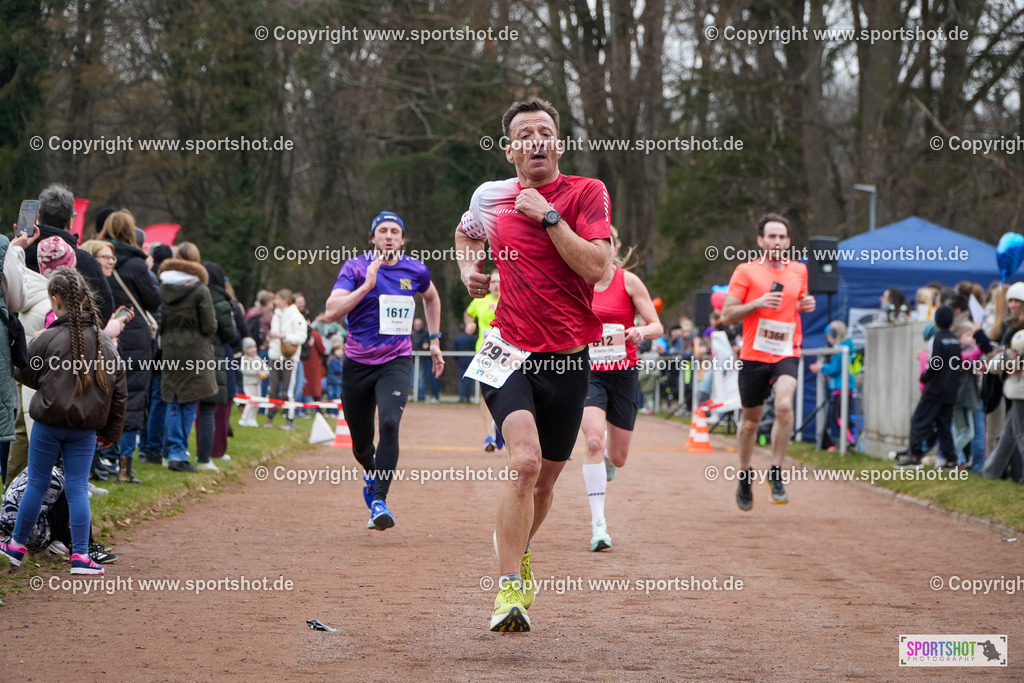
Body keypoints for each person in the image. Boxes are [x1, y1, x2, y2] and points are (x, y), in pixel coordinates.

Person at [456, 97, 612, 632]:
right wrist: (469, 272)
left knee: (545, 484)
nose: (536, 141)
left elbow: (597, 268)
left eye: (545, 132)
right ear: (510, 152)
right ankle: (507, 591)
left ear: (559, 145)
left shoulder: (586, 193)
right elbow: (465, 233)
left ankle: (518, 551)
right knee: (523, 462)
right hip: (507, 350)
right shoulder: (489, 198)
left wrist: (547, 216)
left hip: (568, 362)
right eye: (525, 134)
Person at [0, 267, 127, 575]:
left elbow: (24, 372)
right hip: (85, 430)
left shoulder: (49, 339)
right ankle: (81, 556)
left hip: (47, 424)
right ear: (85, 298)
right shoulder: (105, 345)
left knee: (37, 484)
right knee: (77, 488)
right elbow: (119, 392)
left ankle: (16, 546)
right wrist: (111, 433)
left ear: (54, 300)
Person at [323, 210, 444, 530]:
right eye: (383, 231)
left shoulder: (415, 269)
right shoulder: (355, 267)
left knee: (390, 423)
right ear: (373, 238)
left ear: (403, 239)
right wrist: (366, 286)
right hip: (357, 365)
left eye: (395, 231)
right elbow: (331, 311)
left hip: (396, 361)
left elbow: (431, 298)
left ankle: (379, 500)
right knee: (362, 444)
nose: (389, 236)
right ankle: (370, 471)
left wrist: (434, 339)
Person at [721, 213, 815, 510]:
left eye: (782, 237)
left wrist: (805, 304)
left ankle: (776, 470)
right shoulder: (746, 272)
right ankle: (745, 473)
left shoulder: (799, 270)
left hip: (787, 349)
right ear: (761, 240)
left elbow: (798, 301)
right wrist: (757, 303)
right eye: (771, 236)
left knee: (785, 405)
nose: (777, 241)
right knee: (750, 422)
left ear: (788, 242)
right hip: (754, 355)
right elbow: (726, 315)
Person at [579, 227, 662, 552]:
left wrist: (640, 332)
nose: (599, 249)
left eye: (604, 244)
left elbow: (656, 325)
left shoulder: (628, 282)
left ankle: (609, 463)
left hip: (624, 374)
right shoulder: (577, 282)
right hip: (588, 374)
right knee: (594, 441)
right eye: (591, 245)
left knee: (619, 456)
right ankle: (598, 524)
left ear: (615, 248)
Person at [97, 210, 162, 483]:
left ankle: (103, 459)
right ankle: (124, 467)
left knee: (103, 395)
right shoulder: (136, 265)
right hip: (133, 336)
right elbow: (154, 300)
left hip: (103, 331)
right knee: (131, 400)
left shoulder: (94, 256)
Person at [158, 243, 218, 472]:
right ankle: (179, 452)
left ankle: (172, 451)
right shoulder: (200, 288)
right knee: (189, 400)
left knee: (172, 399)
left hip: (171, 349)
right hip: (195, 350)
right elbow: (210, 325)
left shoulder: (162, 285)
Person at [23, 184, 114, 324]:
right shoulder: (85, 261)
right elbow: (104, 309)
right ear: (70, 222)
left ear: (38, 218)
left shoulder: (17, 254)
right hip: (71, 340)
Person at [896, 306, 962, 468]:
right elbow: (958, 365)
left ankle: (914, 457)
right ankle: (951, 459)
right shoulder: (955, 340)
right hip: (950, 391)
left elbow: (935, 363)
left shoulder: (937, 338)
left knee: (918, 421)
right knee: (943, 425)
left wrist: (924, 378)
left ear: (936, 321)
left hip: (934, 390)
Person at [194, 262, 237, 469]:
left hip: (192, 353)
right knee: (211, 407)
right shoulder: (220, 300)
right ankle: (208, 454)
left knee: (189, 406)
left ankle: (176, 451)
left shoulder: (192, 294)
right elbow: (230, 334)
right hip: (216, 354)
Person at [465, 271, 501, 448]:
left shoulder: (511, 301)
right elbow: (468, 313)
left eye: (499, 281)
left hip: (509, 355)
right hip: (484, 353)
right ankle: (489, 435)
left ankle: (502, 427)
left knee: (505, 394)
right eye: (493, 281)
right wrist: (469, 325)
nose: (496, 285)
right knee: (485, 395)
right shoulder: (480, 301)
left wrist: (500, 311)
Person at [808, 321, 857, 449]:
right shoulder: (845, 346)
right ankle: (850, 441)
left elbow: (835, 369)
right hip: (842, 387)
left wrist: (821, 367)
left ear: (835, 335)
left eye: (829, 336)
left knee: (839, 417)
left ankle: (852, 441)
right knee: (840, 416)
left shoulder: (840, 349)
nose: (828, 340)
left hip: (843, 387)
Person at [264, 289, 307, 430]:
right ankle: (269, 418)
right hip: (275, 355)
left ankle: (289, 419)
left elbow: (301, 337)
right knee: (273, 388)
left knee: (288, 390)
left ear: (285, 300)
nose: (275, 301)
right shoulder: (276, 315)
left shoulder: (296, 316)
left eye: (278, 299)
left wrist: (283, 336)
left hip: (289, 357)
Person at [238, 337, 268, 426]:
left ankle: (252, 418)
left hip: (257, 383)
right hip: (248, 384)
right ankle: (244, 419)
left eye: (254, 347)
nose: (253, 349)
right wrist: (256, 372)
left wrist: (265, 373)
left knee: (257, 402)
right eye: (250, 348)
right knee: (250, 402)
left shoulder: (258, 358)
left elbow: (265, 368)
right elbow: (244, 370)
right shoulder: (244, 359)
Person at [453, 321, 477, 403]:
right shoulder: (473, 339)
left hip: (461, 362)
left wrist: (458, 359)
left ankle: (462, 397)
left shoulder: (458, 338)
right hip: (470, 362)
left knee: (462, 380)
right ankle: (467, 397)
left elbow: (454, 351)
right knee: (469, 380)